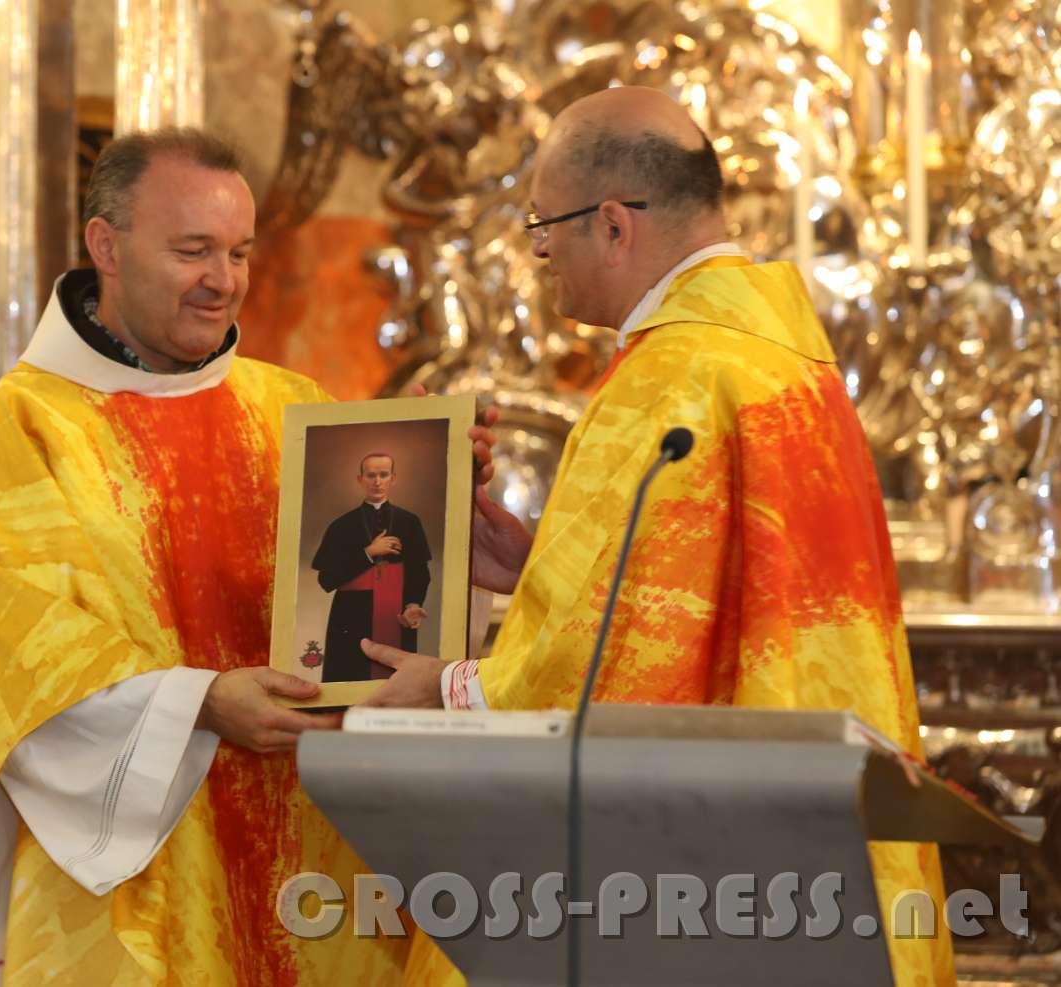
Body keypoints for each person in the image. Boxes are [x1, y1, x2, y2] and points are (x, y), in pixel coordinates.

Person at [0, 128, 497, 985]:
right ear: (105, 245)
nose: (223, 280)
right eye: (193, 249)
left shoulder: (290, 407)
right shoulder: (23, 435)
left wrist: (439, 495)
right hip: (128, 881)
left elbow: (369, 612)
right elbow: (1, 661)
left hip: (312, 860)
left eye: (237, 251)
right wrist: (199, 702)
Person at [360, 87, 954, 987]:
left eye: (542, 224)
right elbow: (704, 597)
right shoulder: (782, 355)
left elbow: (594, 665)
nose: (539, 252)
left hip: (677, 861)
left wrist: (442, 685)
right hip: (793, 824)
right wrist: (533, 564)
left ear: (611, 224)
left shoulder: (670, 373)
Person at [311, 452, 432, 682]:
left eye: (383, 475)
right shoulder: (341, 526)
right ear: (360, 479)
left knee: (396, 688)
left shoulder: (410, 522)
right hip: (351, 617)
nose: (377, 481)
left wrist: (413, 604)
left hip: (397, 614)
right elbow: (326, 580)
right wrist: (369, 553)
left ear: (393, 478)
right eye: (371, 475)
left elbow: (420, 573)